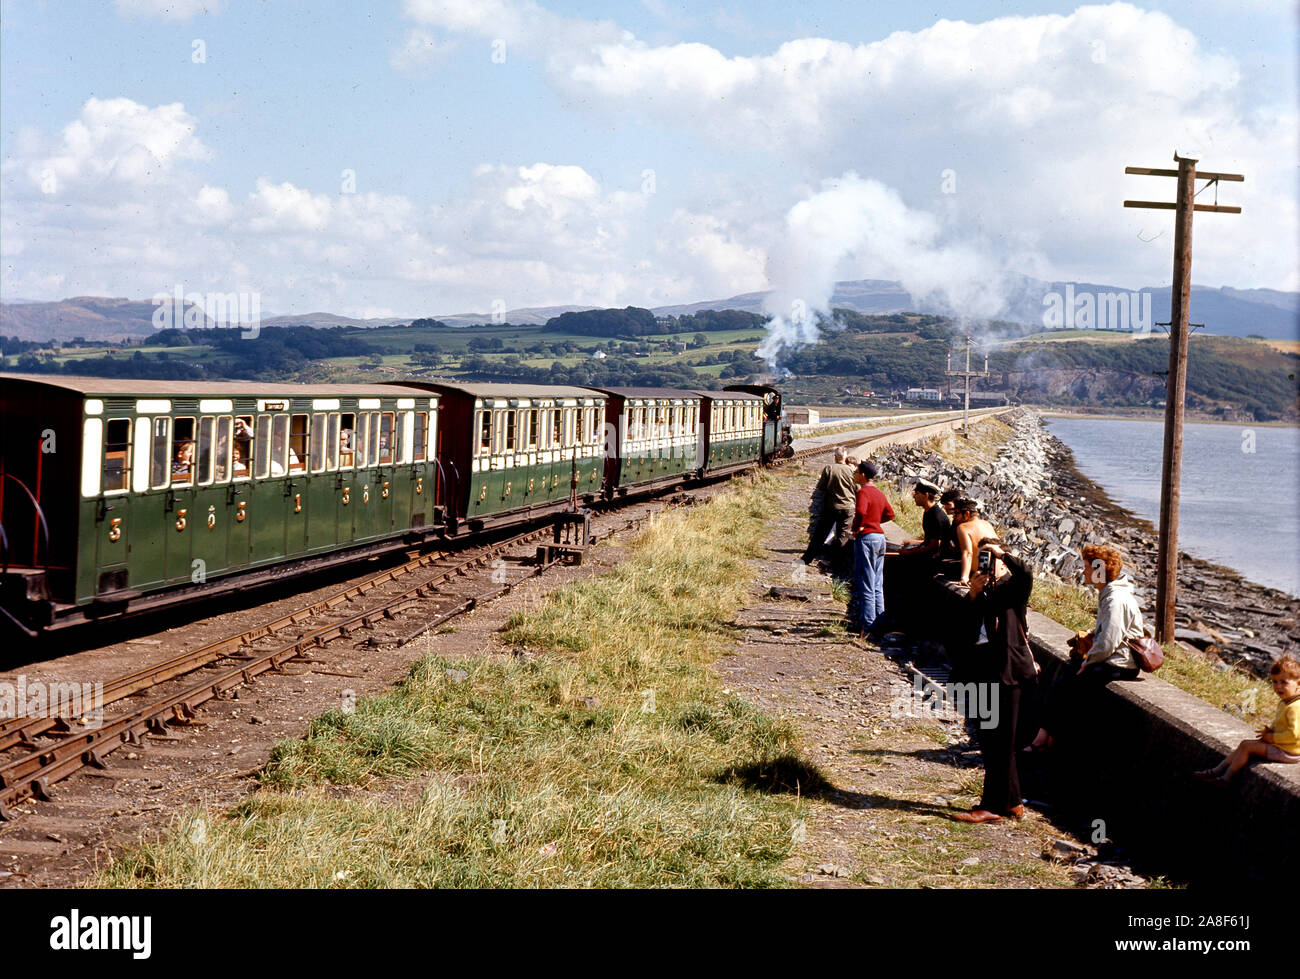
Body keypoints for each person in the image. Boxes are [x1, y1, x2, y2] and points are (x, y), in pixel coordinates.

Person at [1024, 543, 1143, 752]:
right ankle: (1046, 738)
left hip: (1119, 664)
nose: (1083, 571)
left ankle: (1044, 740)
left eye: (1087, 567)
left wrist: (1088, 662)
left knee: (1068, 687)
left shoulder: (1115, 599)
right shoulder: (1110, 594)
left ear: (1099, 570)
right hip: (1111, 659)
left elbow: (1108, 642)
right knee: (1062, 677)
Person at [953, 539, 1037, 823]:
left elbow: (1026, 573)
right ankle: (1012, 802)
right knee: (992, 740)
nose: (986, 562)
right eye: (982, 556)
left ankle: (991, 806)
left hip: (1008, 674)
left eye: (990, 557)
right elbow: (965, 629)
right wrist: (973, 595)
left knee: (1000, 741)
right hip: (982, 673)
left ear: (1001, 560)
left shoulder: (1012, 588)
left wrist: (1005, 555)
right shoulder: (981, 589)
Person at [1195, 655, 1300, 783]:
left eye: (1284, 682)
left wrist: (1272, 738)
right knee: (1244, 744)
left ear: (1298, 684)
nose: (1278, 687)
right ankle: (1217, 770)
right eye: (1274, 681)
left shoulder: (1295, 707)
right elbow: (1281, 724)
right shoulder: (1285, 703)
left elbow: (1294, 735)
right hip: (1283, 746)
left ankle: (1224, 778)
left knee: (1247, 746)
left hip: (1290, 752)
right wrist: (1270, 731)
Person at [883, 479, 951, 631]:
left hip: (932, 561)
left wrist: (910, 551)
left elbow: (935, 545)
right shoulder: (928, 513)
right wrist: (913, 542)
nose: (914, 496)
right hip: (926, 555)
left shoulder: (936, 516)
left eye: (917, 494)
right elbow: (929, 540)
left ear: (926, 495)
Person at [850, 460, 894, 636]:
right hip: (880, 538)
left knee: (866, 582)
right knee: (877, 583)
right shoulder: (879, 493)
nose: (853, 475)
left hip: (867, 539)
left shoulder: (863, 492)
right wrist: (875, 522)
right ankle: (880, 623)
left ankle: (868, 626)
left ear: (862, 475)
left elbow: (860, 512)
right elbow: (890, 514)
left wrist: (858, 526)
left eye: (856, 472)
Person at [802, 447, 858, 578]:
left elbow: (821, 487)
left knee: (820, 533)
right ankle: (836, 564)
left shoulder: (829, 469)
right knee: (842, 536)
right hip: (847, 508)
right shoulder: (852, 471)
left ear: (835, 457)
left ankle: (807, 558)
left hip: (831, 507)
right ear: (845, 457)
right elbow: (858, 489)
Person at [954, 498, 1003, 585]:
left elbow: (968, 553)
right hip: (999, 573)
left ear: (967, 514)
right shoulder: (987, 524)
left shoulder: (963, 527)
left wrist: (964, 577)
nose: (954, 517)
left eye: (957, 513)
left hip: (982, 575)